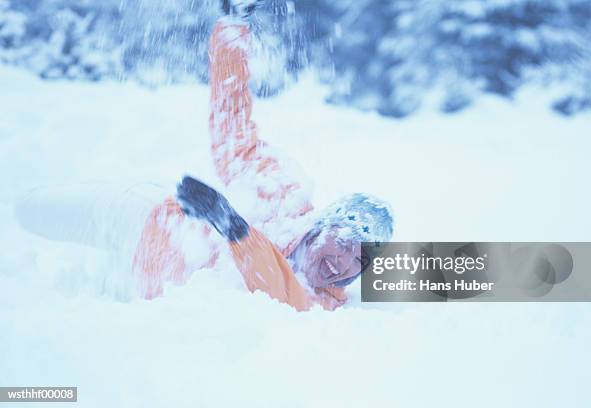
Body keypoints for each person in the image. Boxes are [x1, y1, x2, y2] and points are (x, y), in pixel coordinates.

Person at [16, 1, 393, 311]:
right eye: (344, 244)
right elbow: (234, 134)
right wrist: (231, 31)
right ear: (323, 224)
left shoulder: (318, 303)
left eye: (361, 263)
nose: (343, 265)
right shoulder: (283, 193)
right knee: (26, 210)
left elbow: (277, 291)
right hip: (143, 221)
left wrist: (232, 225)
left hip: (144, 290)